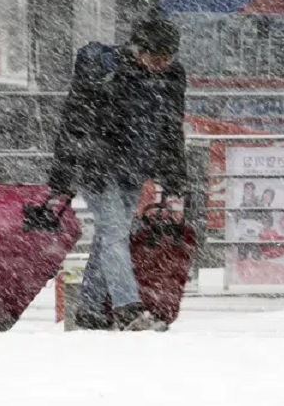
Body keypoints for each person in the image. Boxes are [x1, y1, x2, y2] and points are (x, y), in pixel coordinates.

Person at [49, 17, 189, 332]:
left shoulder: (170, 78)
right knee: (114, 234)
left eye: (168, 58)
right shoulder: (105, 72)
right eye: (156, 57)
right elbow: (75, 124)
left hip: (133, 168)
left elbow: (170, 130)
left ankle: (90, 309)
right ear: (139, 50)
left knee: (111, 235)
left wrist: (174, 176)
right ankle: (128, 309)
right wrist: (64, 176)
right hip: (97, 168)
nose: (162, 65)